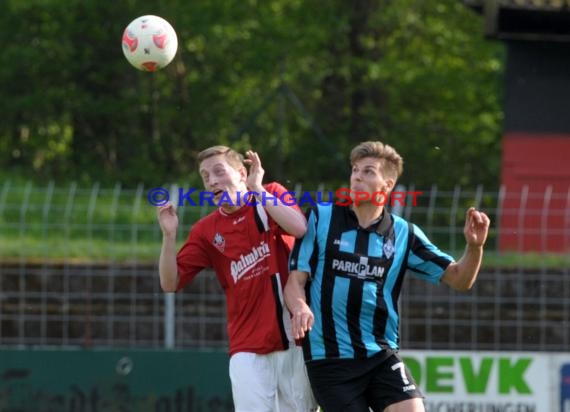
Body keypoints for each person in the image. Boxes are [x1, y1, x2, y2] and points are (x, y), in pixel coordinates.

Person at [284, 141, 490, 412]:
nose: (357, 176)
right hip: (330, 359)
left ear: (388, 184)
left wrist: (474, 248)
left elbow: (460, 279)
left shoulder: (405, 233)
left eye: (368, 172)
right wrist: (299, 306)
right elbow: (294, 282)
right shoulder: (322, 218)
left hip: (381, 354)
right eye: (355, 170)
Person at [157, 145, 317, 412]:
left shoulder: (271, 194)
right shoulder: (206, 231)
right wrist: (169, 236)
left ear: (242, 173)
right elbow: (169, 283)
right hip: (247, 347)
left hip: (295, 340)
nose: (212, 180)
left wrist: (259, 190)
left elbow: (299, 228)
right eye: (205, 176)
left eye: (219, 171)